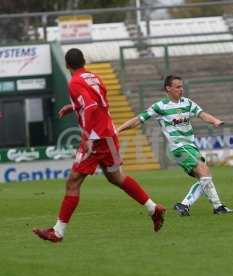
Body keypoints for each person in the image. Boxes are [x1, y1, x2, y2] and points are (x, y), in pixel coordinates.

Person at [33, 48, 166, 243]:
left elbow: (90, 106)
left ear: (67, 65)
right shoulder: (94, 77)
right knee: (115, 176)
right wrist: (73, 107)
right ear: (84, 61)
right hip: (109, 134)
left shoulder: (75, 82)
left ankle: (58, 231)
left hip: (95, 139)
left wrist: (87, 136)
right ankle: (153, 208)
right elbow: (99, 100)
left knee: (73, 182)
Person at [118, 75, 233, 216]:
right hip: (179, 147)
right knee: (204, 173)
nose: (181, 89)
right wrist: (118, 129)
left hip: (190, 146)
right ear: (168, 88)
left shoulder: (187, 103)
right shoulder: (160, 106)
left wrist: (215, 120)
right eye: (178, 87)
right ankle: (184, 205)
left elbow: (202, 114)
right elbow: (138, 120)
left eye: (182, 86)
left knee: (204, 176)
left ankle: (218, 206)